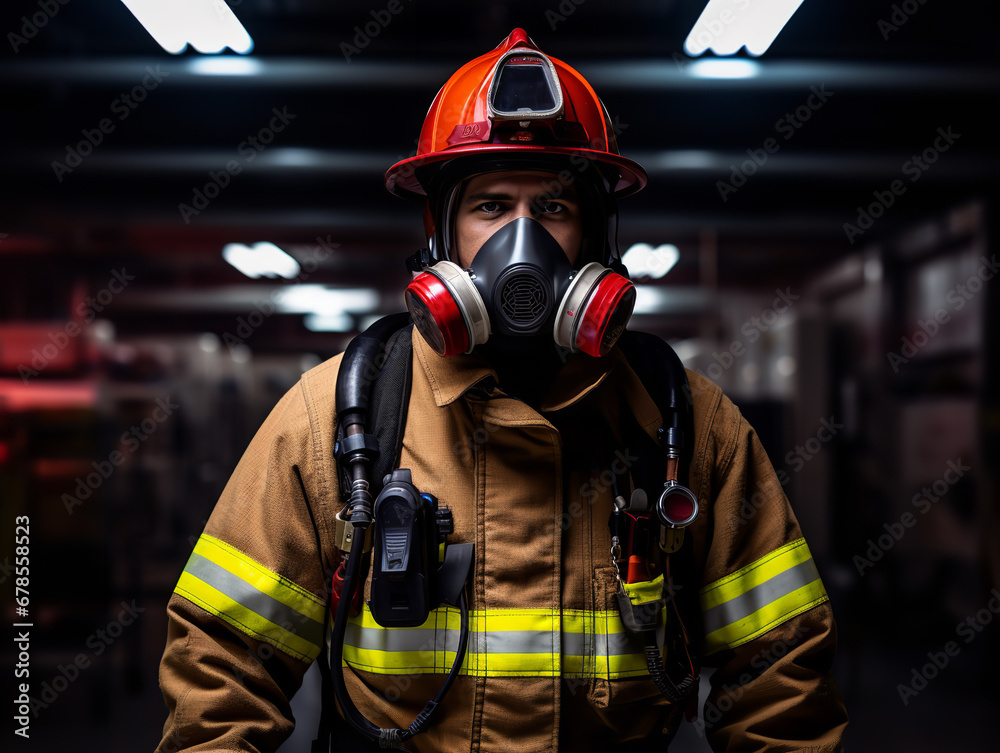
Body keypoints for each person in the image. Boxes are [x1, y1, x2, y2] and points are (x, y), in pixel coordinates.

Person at [157, 28, 848, 753]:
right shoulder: (333, 415)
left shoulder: (691, 425)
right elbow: (222, 664)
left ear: (597, 237)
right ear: (441, 237)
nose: (523, 245)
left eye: (552, 209)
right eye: (489, 206)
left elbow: (779, 679)